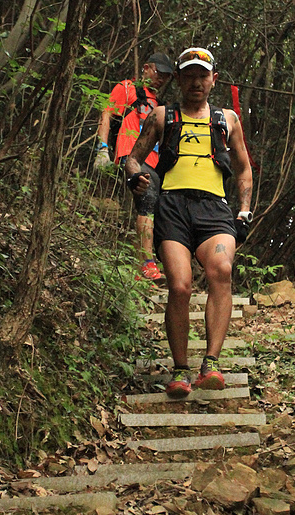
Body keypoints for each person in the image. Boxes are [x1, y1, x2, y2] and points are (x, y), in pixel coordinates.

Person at [124, 47, 253, 397]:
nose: (197, 82)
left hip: (214, 210)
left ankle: (210, 362)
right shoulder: (162, 116)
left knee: (221, 271)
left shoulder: (228, 119)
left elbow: (243, 168)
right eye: (189, 75)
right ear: (179, 80)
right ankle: (180, 370)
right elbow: (133, 159)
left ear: (213, 80)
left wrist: (244, 210)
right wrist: (135, 178)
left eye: (203, 75)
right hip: (173, 208)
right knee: (179, 286)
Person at [94, 52, 174, 281]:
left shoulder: (159, 105)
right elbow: (107, 113)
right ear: (146, 68)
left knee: (163, 208)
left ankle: (154, 264)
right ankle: (146, 265)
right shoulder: (128, 88)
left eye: (166, 77)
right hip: (133, 156)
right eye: (158, 73)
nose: (161, 79)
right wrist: (102, 148)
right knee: (146, 198)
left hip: (156, 163)